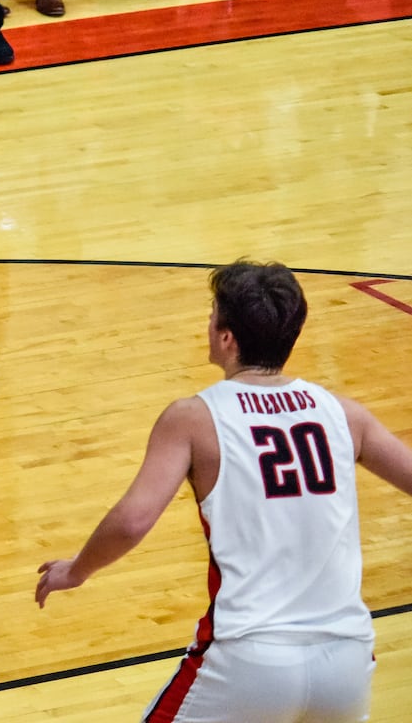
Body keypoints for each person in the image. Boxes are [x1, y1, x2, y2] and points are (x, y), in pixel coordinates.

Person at [36, 260, 412, 722]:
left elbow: (132, 520)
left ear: (226, 337)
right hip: (347, 661)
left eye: (212, 314)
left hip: (249, 658)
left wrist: (77, 569)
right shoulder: (344, 414)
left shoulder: (194, 417)